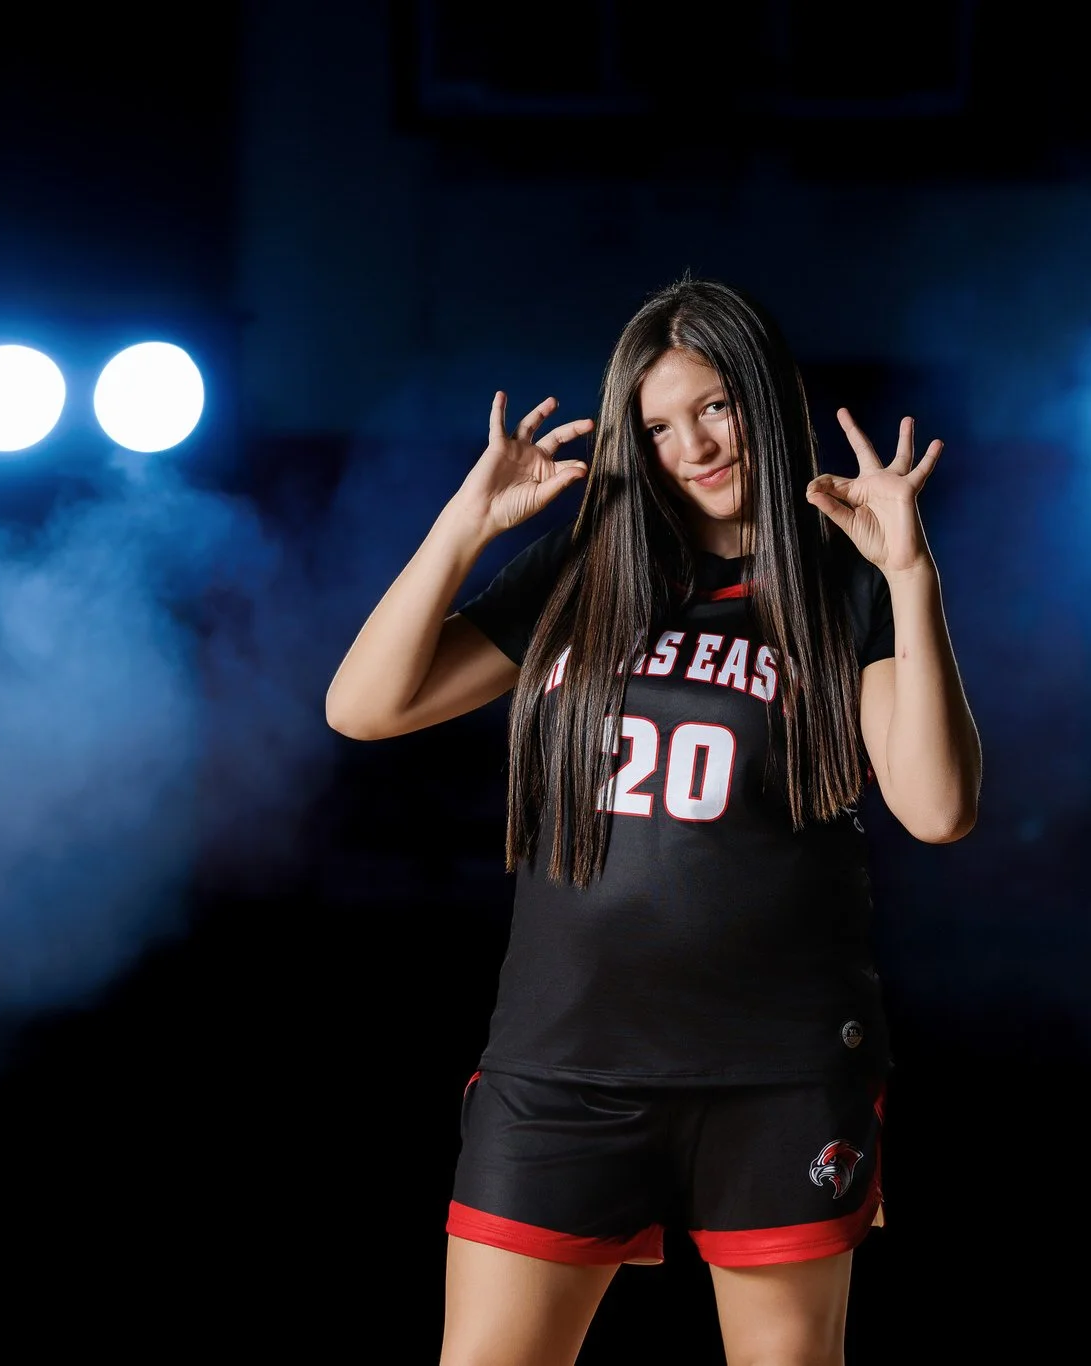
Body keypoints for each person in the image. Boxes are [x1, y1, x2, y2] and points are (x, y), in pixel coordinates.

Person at [326, 277, 980, 1366]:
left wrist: (909, 573)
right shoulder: (590, 567)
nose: (695, 447)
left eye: (714, 407)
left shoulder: (842, 580)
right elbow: (364, 706)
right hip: (564, 1063)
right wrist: (464, 524)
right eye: (660, 426)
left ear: (763, 397)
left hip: (776, 1066)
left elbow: (937, 808)